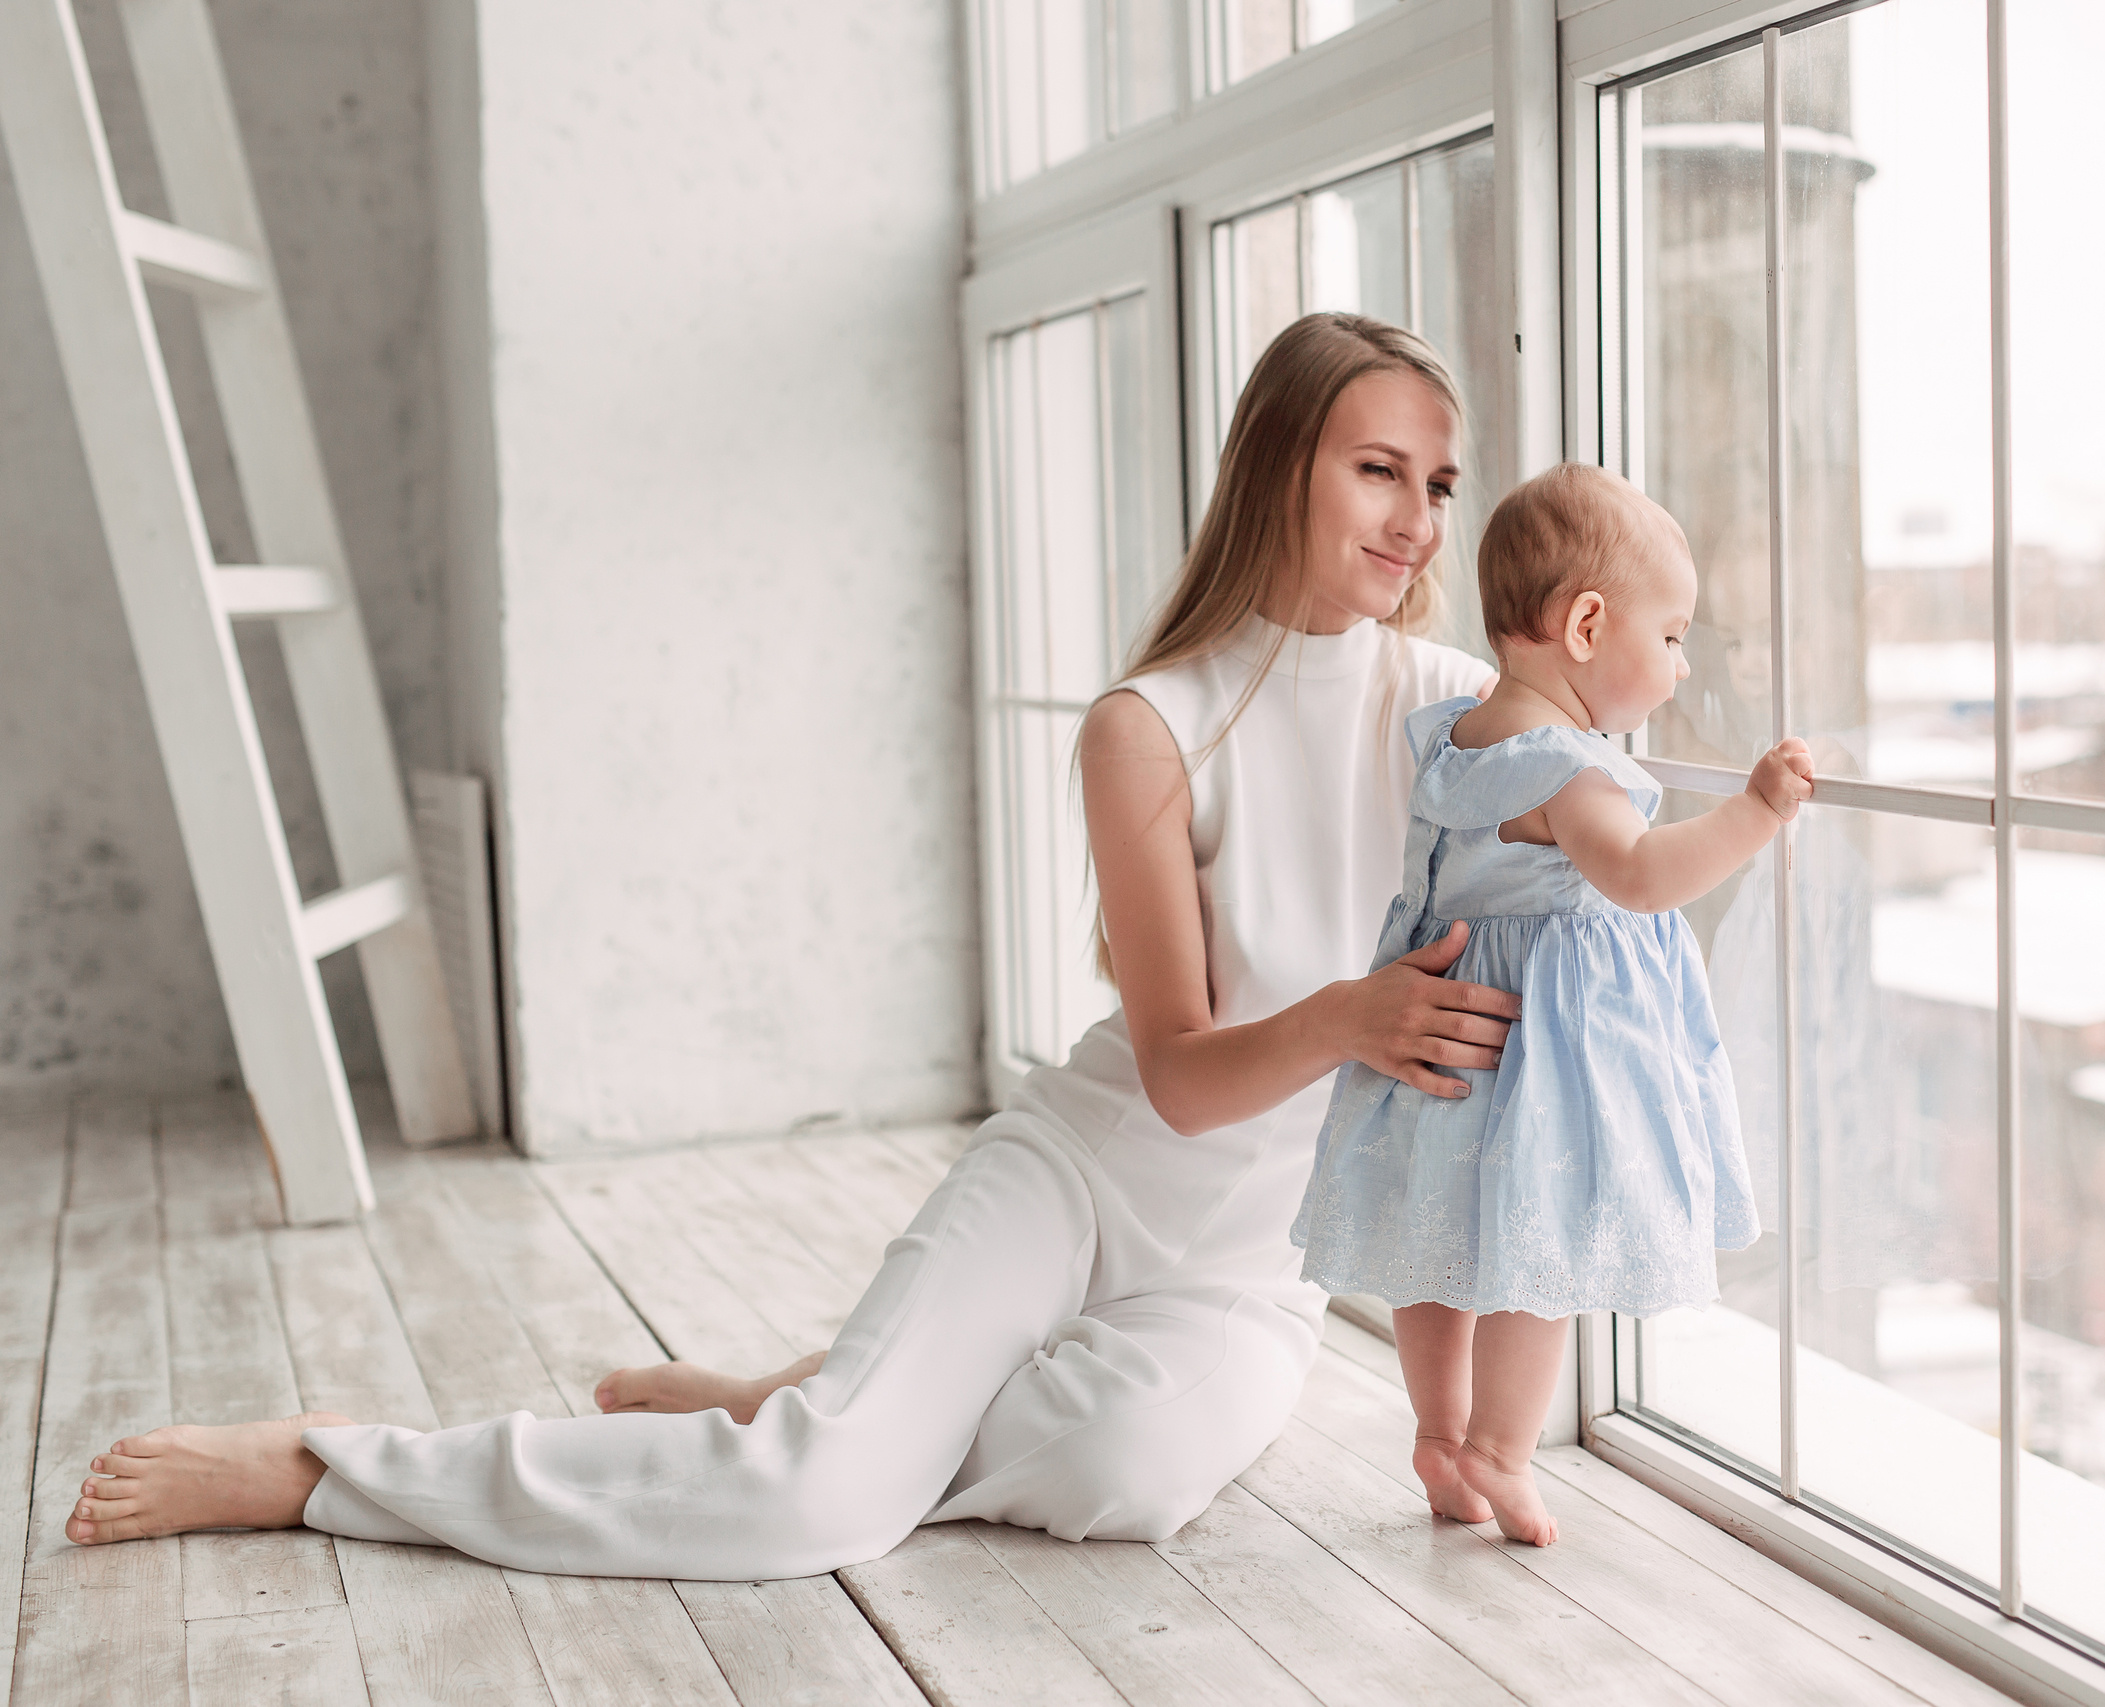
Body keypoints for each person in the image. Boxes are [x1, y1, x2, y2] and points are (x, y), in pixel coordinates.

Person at [60, 312, 1516, 1578]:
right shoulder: (1151, 724)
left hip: (1257, 1264)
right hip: (1086, 1177)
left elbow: (1629, 776)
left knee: (1124, 1476)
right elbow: (1187, 1079)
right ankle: (335, 1467)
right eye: (1377, 468)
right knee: (814, 1505)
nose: (1417, 518)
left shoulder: (1464, 711)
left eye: (1439, 482)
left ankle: (819, 1396)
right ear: (1278, 466)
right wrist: (1349, 1018)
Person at [1291, 461, 1813, 1546]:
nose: (1677, 667)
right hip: (1535, 1062)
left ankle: (1439, 1431)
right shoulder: (1567, 770)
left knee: (1438, 1249)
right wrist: (1757, 813)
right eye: (1670, 637)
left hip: (1442, 1044)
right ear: (1586, 625)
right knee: (1539, 1266)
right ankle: (1499, 1450)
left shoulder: (1459, 742)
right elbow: (1637, 878)